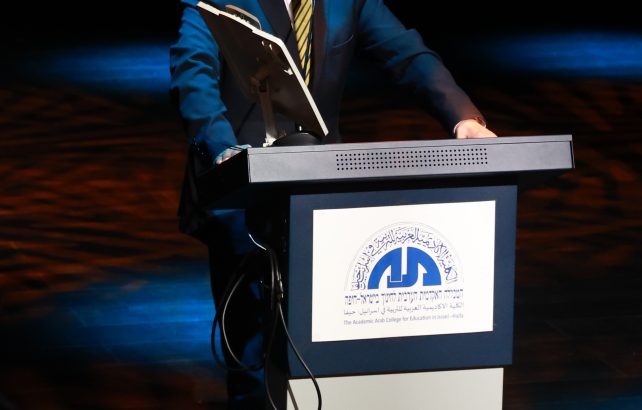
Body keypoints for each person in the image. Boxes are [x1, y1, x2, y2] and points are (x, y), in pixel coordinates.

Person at [169, 0, 497, 408]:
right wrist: (223, 149)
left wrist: (463, 117)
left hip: (319, 194)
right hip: (240, 193)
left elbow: (406, 52)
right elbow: (193, 71)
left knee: (319, 337)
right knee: (252, 346)